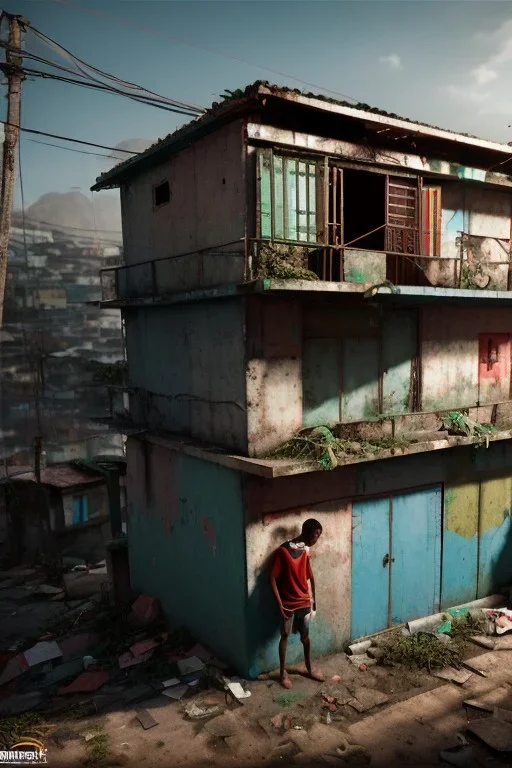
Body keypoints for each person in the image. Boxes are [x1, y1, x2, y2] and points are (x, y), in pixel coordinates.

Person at [270, 519, 325, 689]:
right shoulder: (283, 551)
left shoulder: (306, 550)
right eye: (316, 535)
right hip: (287, 603)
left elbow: (310, 575)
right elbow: (272, 578)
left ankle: (309, 669)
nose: (317, 539)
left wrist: (314, 598)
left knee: (306, 638)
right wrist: (279, 604)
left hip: (304, 601)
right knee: (284, 636)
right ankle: (282, 673)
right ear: (308, 533)